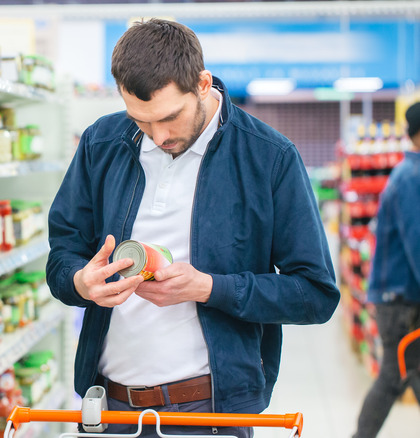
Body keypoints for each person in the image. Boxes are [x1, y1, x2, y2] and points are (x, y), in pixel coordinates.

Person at [46, 19, 340, 437]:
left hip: (210, 415)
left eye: (169, 117)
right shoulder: (102, 143)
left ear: (203, 83)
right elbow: (61, 255)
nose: (157, 135)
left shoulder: (269, 157)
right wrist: (80, 281)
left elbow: (315, 294)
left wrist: (208, 288)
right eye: (141, 121)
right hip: (110, 412)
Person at [352, 102, 420, 438]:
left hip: (400, 297)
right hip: (400, 302)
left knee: (410, 370)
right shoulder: (412, 178)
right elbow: (418, 244)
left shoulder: (409, 173)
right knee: (395, 375)